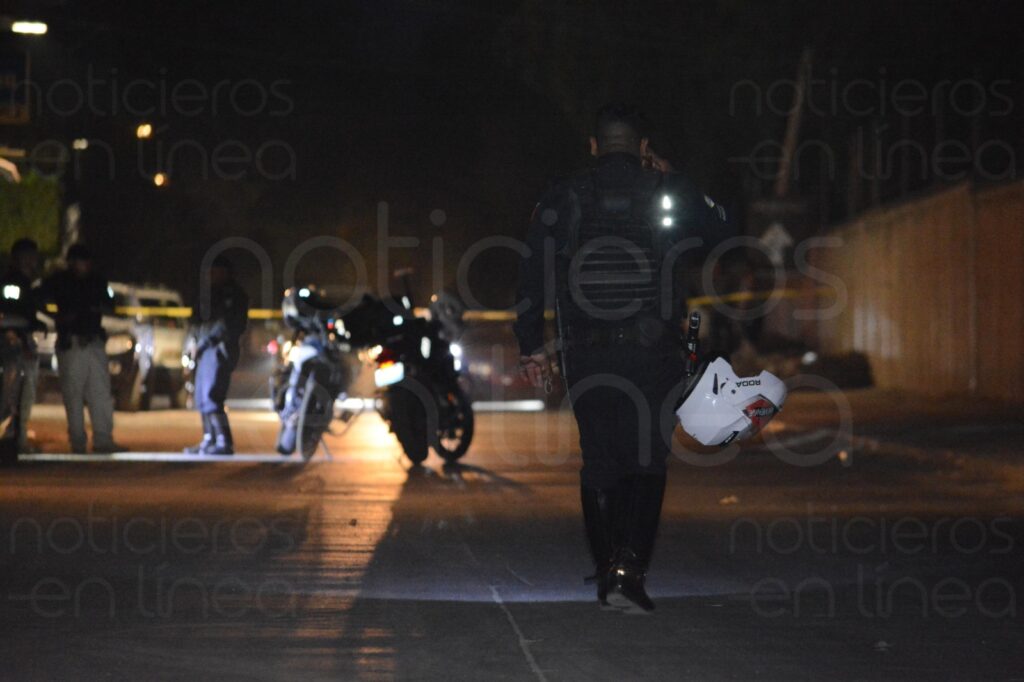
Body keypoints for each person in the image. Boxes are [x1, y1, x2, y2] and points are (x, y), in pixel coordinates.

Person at [513, 103, 729, 612]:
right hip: (652, 354)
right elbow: (722, 231)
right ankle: (629, 566)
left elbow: (530, 278)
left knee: (600, 462)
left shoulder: (561, 198)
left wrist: (529, 347)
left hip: (586, 355)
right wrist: (677, 177)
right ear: (643, 149)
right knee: (648, 459)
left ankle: (609, 562)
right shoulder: (666, 194)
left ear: (593, 147)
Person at [39, 243, 124, 454]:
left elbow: (110, 304)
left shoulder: (96, 281)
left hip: (93, 341)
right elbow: (37, 298)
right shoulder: (60, 281)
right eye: (78, 261)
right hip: (71, 342)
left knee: (100, 393)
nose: (83, 266)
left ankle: (103, 439)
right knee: (73, 393)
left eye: (85, 262)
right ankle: (77, 441)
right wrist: (58, 317)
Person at [185, 255, 249, 455]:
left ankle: (223, 440)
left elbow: (227, 325)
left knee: (213, 394)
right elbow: (196, 320)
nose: (213, 275)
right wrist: (193, 341)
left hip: (220, 349)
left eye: (217, 271)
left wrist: (204, 343)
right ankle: (208, 438)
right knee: (201, 396)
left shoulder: (235, 294)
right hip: (203, 350)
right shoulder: (208, 293)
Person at [0, 239, 43, 452]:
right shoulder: (13, 282)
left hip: (22, 342)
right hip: (13, 345)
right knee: (13, 392)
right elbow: (9, 313)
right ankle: (12, 437)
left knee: (25, 393)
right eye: (29, 255)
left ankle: (18, 437)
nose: (33, 260)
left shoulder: (28, 283)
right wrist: (16, 334)